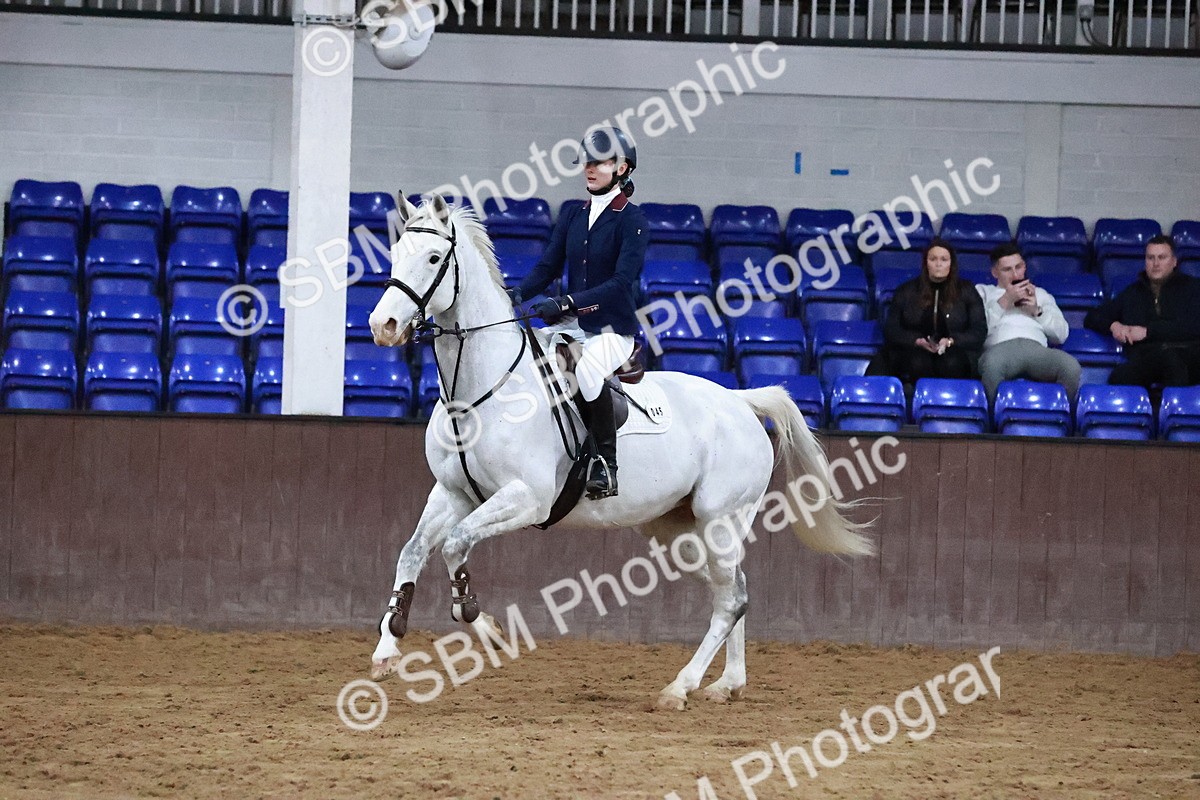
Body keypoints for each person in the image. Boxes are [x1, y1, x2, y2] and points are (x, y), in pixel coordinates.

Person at [509, 127, 648, 500]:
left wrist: (568, 303)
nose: (589, 169)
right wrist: (516, 294)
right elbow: (547, 268)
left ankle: (606, 464)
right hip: (573, 327)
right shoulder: (573, 215)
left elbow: (621, 282)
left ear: (621, 168)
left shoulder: (631, 220)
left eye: (599, 162)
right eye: (586, 162)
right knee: (525, 354)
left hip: (612, 330)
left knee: (586, 370)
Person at [1084, 234, 1200, 391]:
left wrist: (1148, 332)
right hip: (1147, 359)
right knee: (1119, 376)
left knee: (1172, 359)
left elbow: (1193, 327)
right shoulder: (1133, 293)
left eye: (1162, 257)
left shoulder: (1193, 288)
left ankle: (1171, 411)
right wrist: (1114, 325)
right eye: (1150, 258)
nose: (1156, 263)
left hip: (1189, 355)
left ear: (1174, 261)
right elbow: (1093, 317)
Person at [866, 239, 987, 387]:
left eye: (944, 259)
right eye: (933, 259)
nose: (938, 264)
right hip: (913, 351)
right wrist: (916, 341)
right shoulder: (906, 290)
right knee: (917, 362)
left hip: (957, 351)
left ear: (951, 263)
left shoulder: (967, 290)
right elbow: (892, 330)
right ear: (925, 263)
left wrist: (951, 341)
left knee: (952, 363)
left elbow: (979, 331)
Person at [975, 242, 1081, 401]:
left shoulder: (1040, 293)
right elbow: (977, 331)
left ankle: (1059, 420)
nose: (1015, 274)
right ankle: (992, 422)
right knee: (992, 366)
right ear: (995, 272)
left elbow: (1061, 335)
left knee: (1071, 367)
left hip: (1036, 348)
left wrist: (1037, 312)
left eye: (1018, 267)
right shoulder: (983, 292)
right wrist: (1004, 302)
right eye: (1007, 269)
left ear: (1024, 267)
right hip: (999, 348)